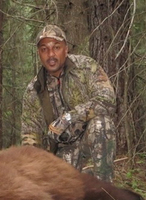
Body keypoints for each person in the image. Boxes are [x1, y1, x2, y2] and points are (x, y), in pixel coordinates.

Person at [21, 24, 117, 182]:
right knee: (61, 188)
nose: (50, 54)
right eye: (44, 49)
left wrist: (69, 118)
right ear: (39, 53)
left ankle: (106, 189)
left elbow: (107, 100)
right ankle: (86, 178)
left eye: (56, 47)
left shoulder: (86, 68)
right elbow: (30, 134)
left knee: (101, 124)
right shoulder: (34, 89)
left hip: (89, 139)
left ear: (66, 49)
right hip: (62, 151)